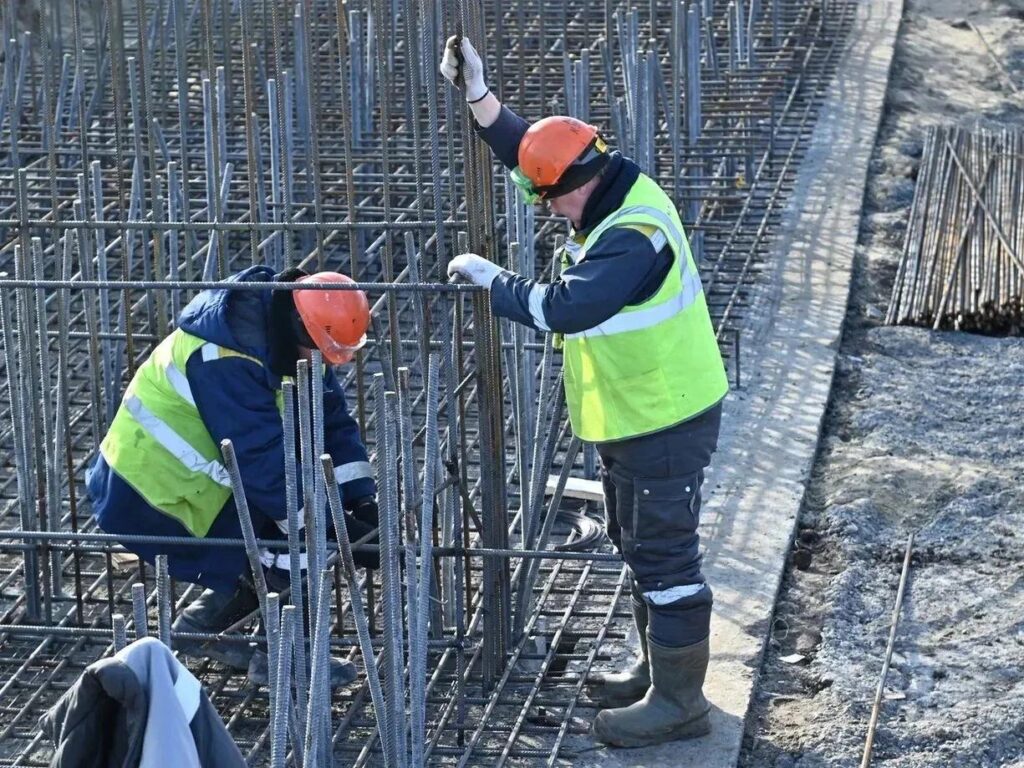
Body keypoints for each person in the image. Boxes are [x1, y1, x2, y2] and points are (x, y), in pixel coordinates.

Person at [441, 36, 729, 747]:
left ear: (578, 182)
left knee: (665, 556)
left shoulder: (633, 234)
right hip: (634, 413)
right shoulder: (605, 185)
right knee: (637, 543)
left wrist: (494, 282)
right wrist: (480, 97)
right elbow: (534, 155)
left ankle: (681, 703)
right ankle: (656, 674)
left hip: (666, 417)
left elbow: (565, 308)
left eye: (549, 200)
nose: (546, 210)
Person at [86, 265, 380, 687]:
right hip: (152, 489)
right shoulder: (224, 359)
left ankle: (204, 628)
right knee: (292, 543)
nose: (325, 361)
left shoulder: (299, 340)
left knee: (283, 534)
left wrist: (360, 499)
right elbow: (263, 464)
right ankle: (284, 660)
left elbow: (331, 421)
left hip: (204, 479)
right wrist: (335, 528)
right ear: (300, 325)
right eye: (323, 349)